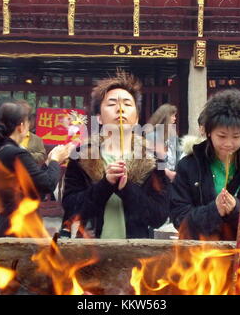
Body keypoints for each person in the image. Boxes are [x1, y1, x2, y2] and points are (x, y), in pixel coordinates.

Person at [61, 70, 170, 239]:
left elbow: (158, 216)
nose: (120, 109)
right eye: (112, 104)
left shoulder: (152, 157)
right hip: (89, 253)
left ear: (136, 118)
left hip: (137, 256)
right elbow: (71, 208)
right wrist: (105, 184)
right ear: (99, 118)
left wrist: (126, 188)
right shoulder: (82, 155)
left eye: (127, 104)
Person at [170, 89, 240, 240]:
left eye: (236, 136)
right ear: (209, 132)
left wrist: (238, 210)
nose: (228, 144)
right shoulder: (189, 165)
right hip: (200, 258)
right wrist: (213, 211)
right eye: (221, 136)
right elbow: (179, 218)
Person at [0, 100, 73, 237]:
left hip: (8, 225)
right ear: (21, 126)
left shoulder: (0, 148)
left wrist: (48, 163)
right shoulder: (16, 153)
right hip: (19, 229)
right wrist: (55, 160)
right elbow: (47, 185)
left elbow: (34, 187)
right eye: (28, 123)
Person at [146, 103, 181, 181]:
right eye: (173, 116)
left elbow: (178, 155)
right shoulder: (152, 136)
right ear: (166, 117)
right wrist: (165, 172)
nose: (175, 118)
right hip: (158, 178)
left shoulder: (173, 135)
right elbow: (149, 160)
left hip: (174, 177)